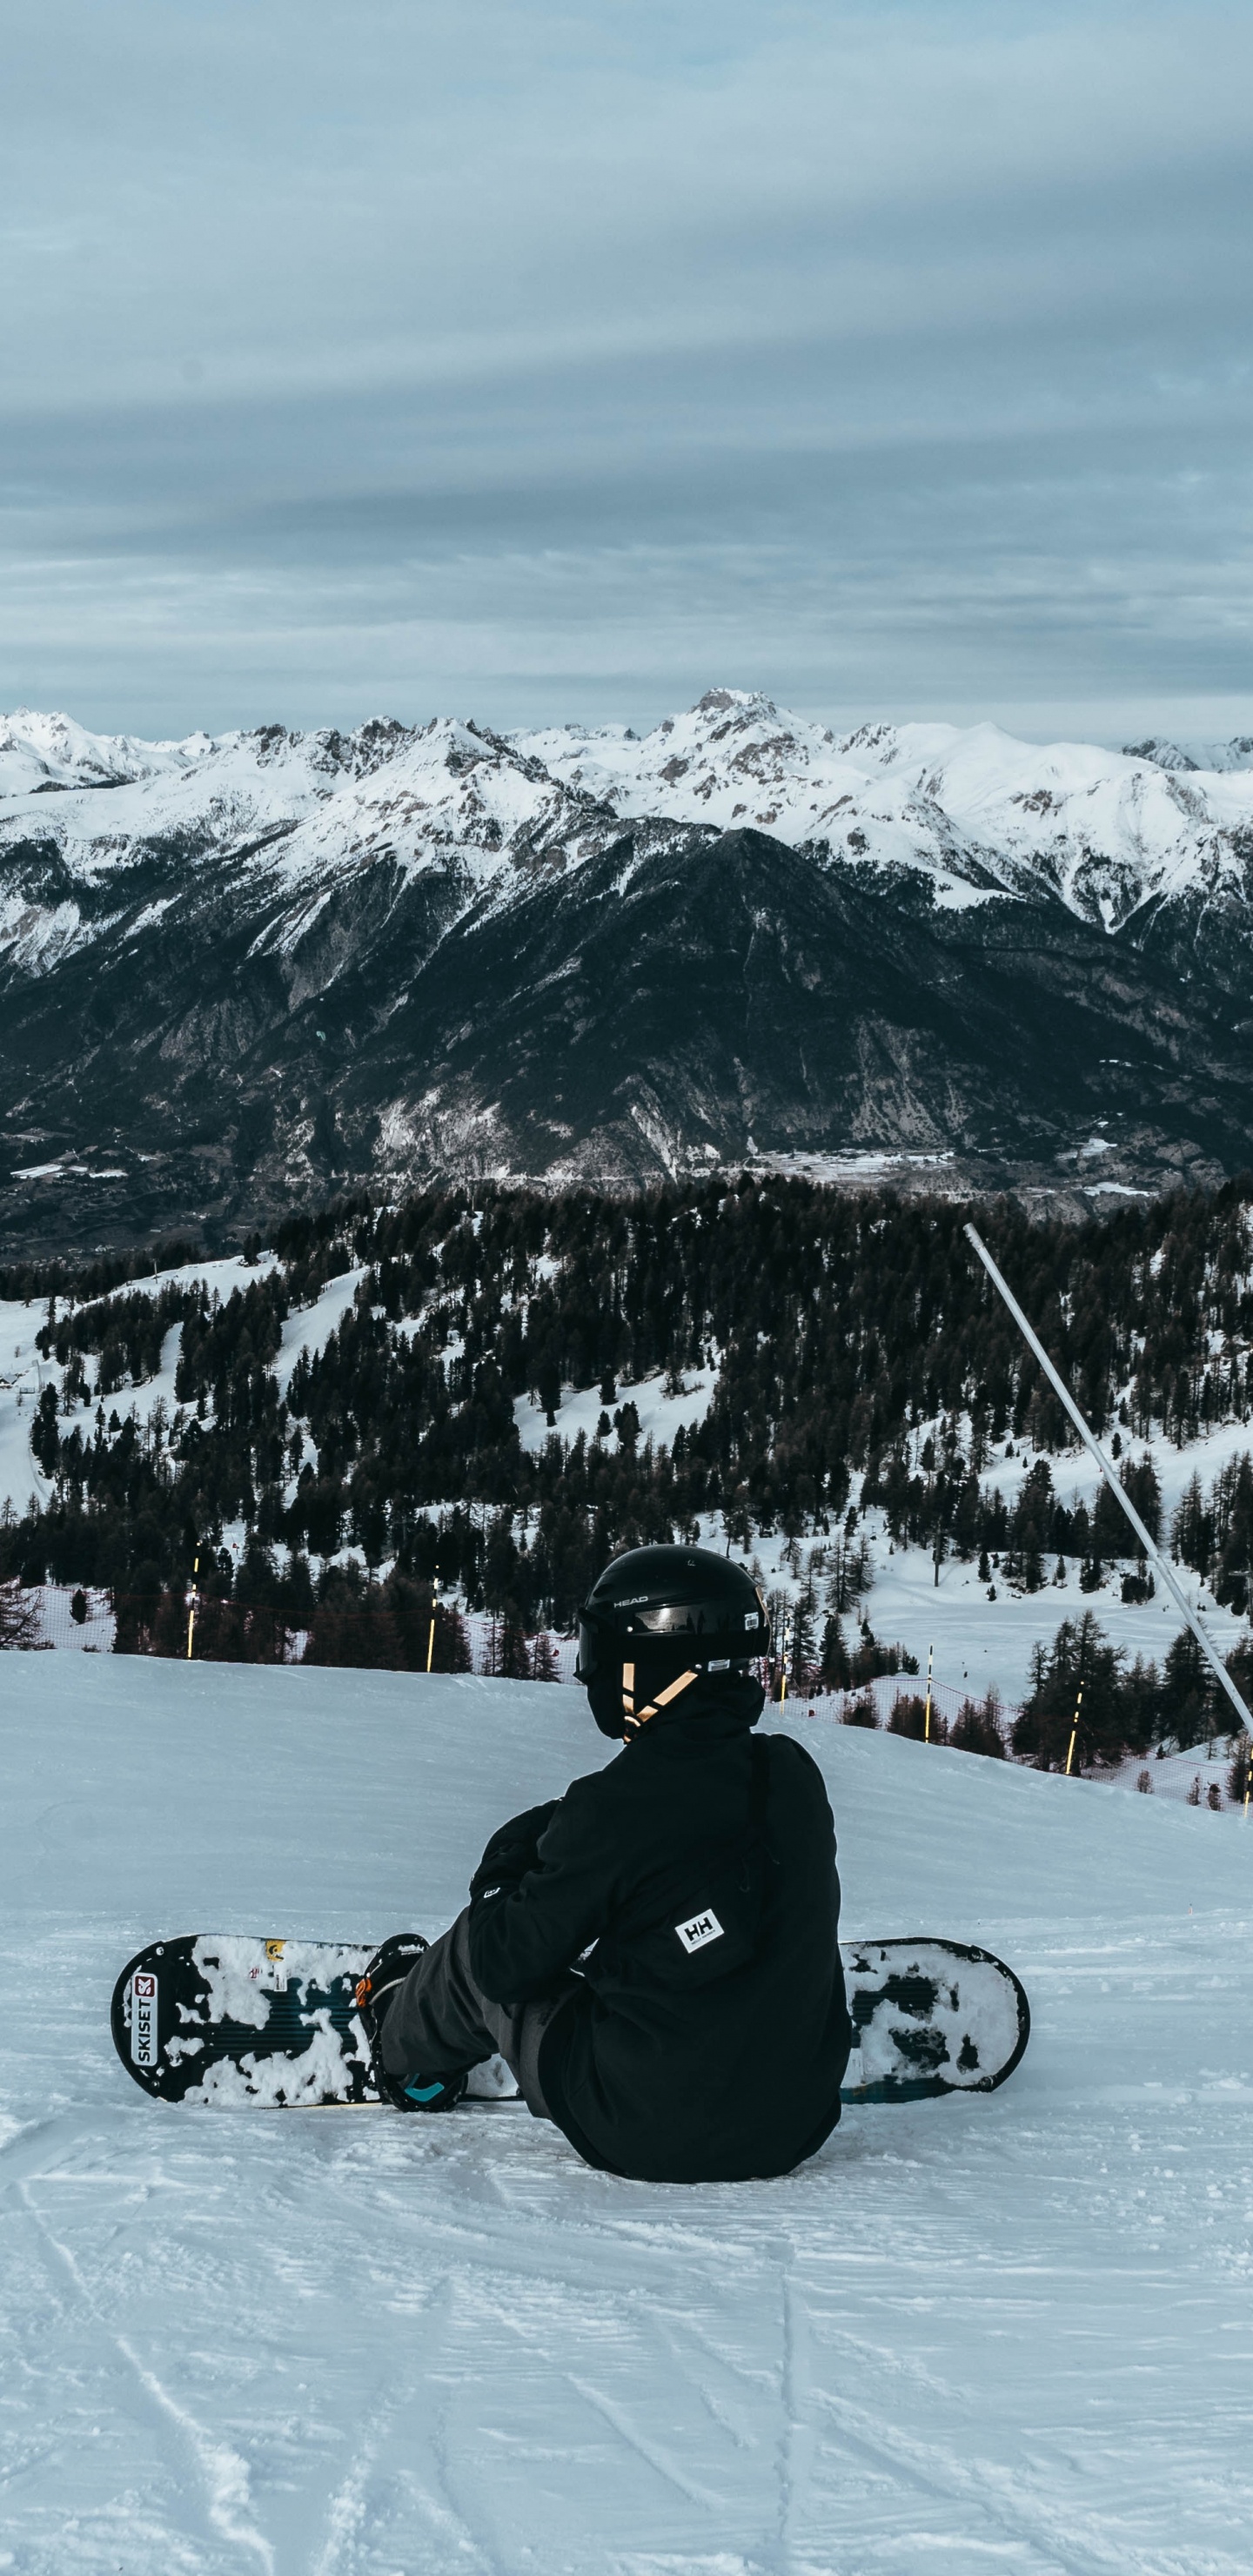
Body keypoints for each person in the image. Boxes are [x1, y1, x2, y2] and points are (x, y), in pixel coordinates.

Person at [356, 1544, 853, 2184]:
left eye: (598, 1654)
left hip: (643, 2129)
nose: (589, 1674)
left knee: (474, 1956)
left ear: (645, 1663)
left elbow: (504, 1964)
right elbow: (683, 1836)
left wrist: (501, 1874)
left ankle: (407, 2058)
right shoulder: (791, 1775)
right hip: (794, 2127)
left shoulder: (615, 1808)